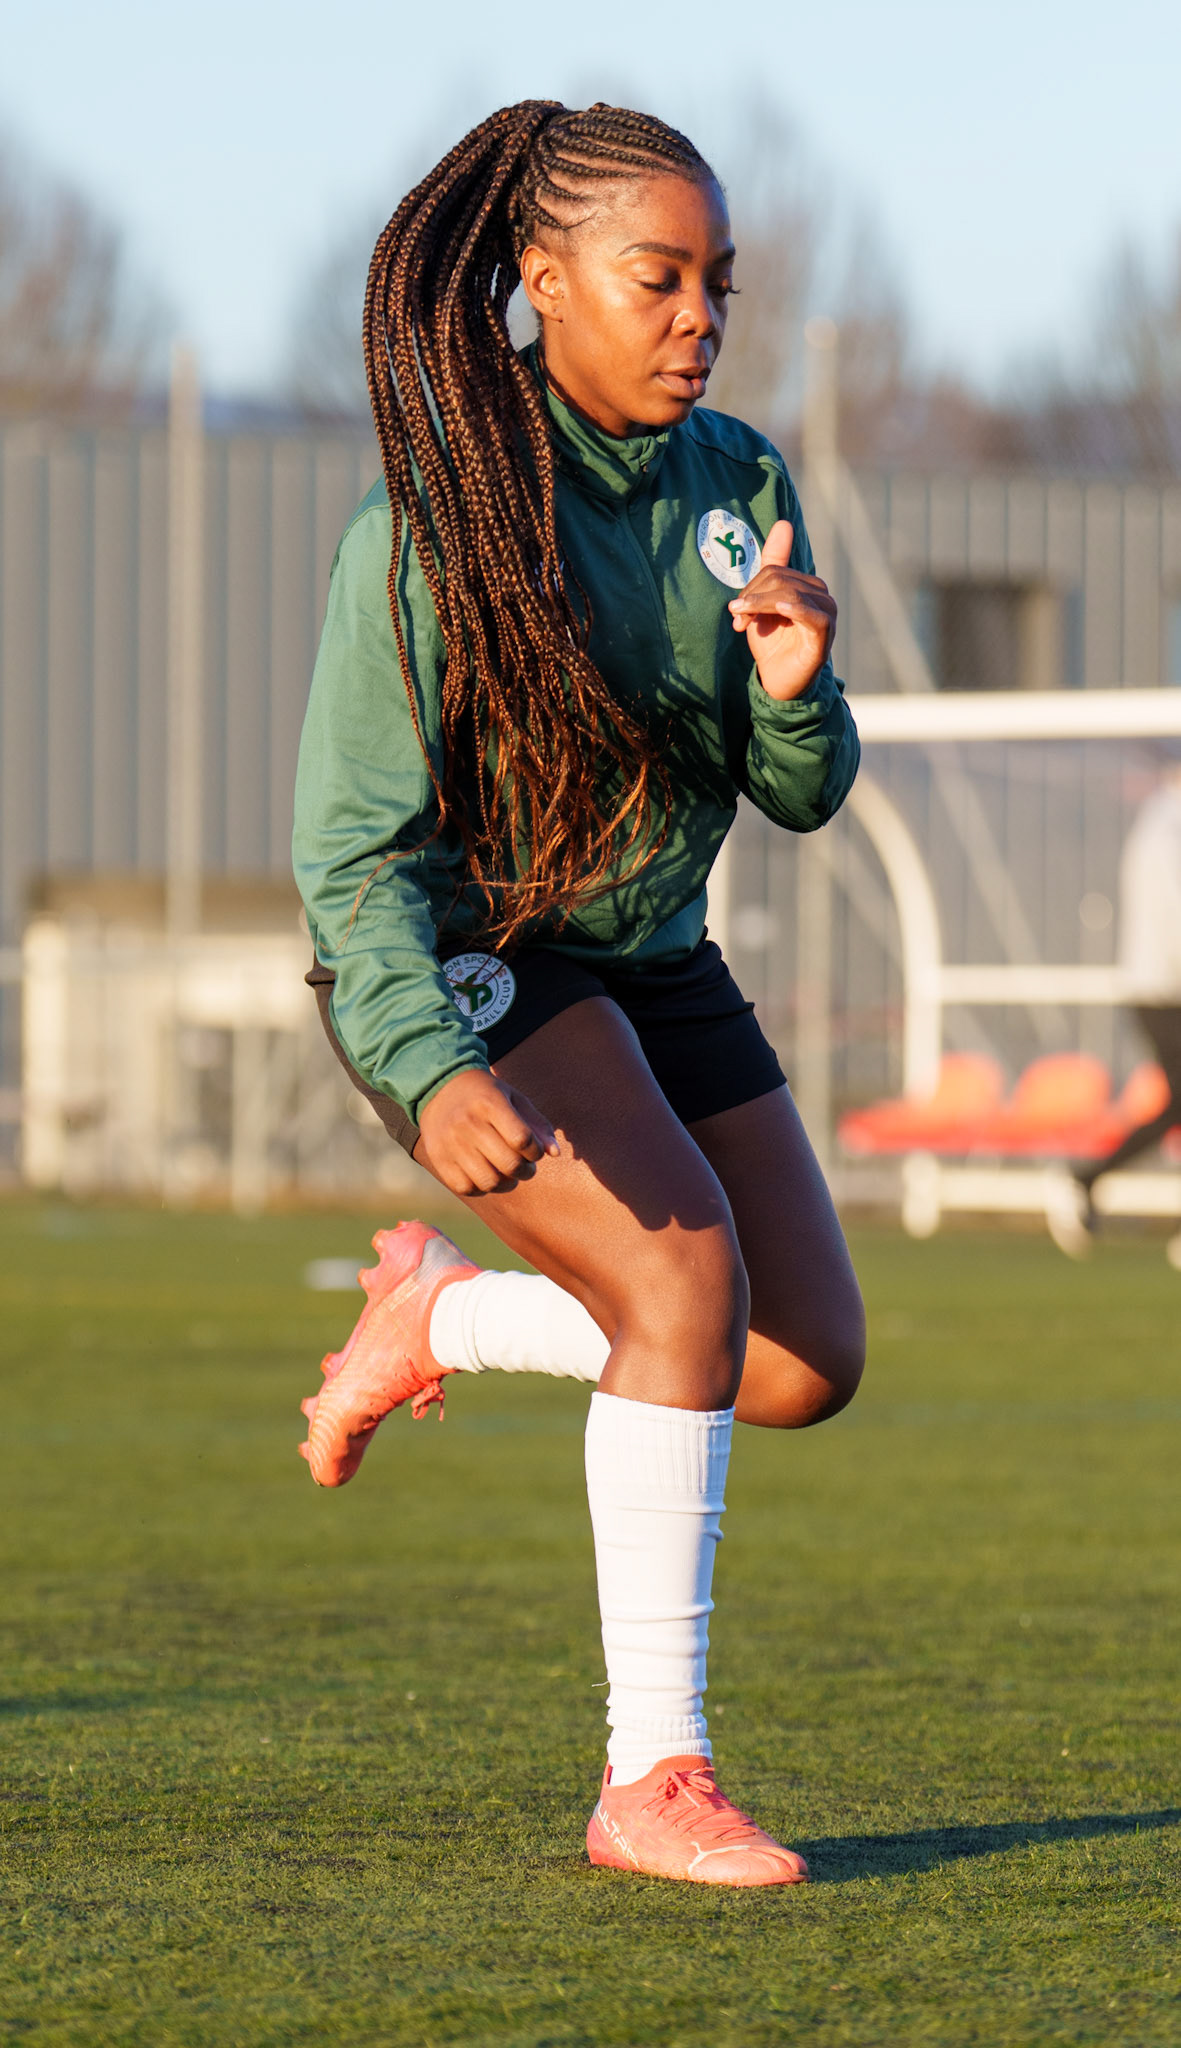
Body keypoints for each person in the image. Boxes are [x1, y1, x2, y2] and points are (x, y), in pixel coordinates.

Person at [292, 101, 865, 1889]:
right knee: (685, 1270)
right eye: (658, 276)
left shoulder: (739, 483)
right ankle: (654, 1778)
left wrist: (792, 687)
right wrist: (420, 1053)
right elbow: (354, 847)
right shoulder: (440, 521)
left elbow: (801, 791)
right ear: (541, 281)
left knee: (796, 1359)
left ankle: (439, 1320)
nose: (701, 313)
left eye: (720, 283)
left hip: (655, 958)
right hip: (474, 960)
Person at [1047, 757, 1181, 1264]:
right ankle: (1083, 1178)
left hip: (1163, 988)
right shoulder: (1165, 831)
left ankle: (1086, 1179)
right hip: (1163, 990)